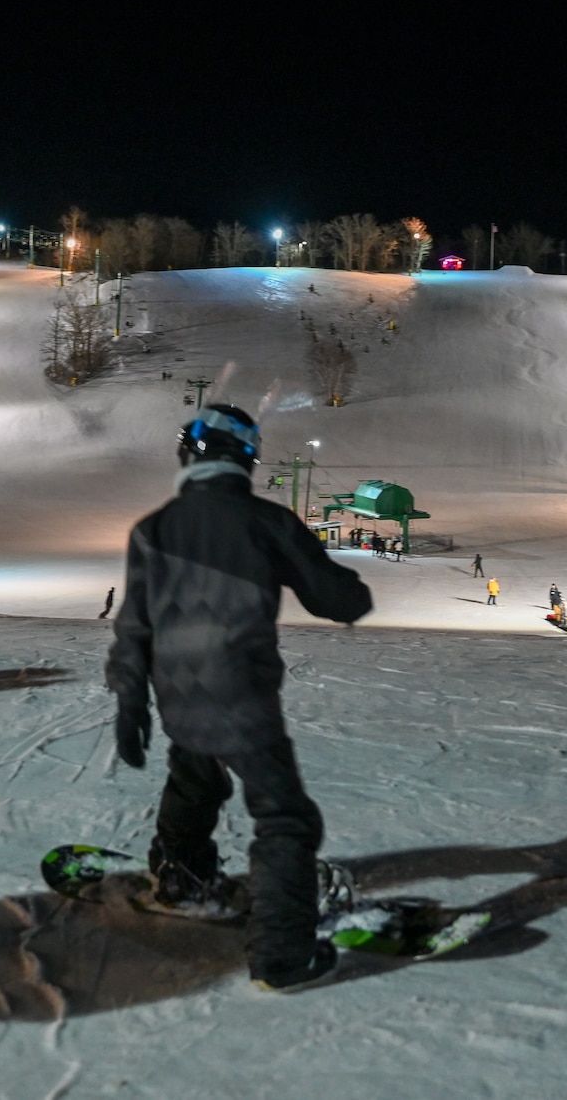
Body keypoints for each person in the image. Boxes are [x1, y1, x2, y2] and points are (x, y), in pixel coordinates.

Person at [105, 403, 372, 992]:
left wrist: (130, 702)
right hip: (243, 697)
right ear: (244, 459)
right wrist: (350, 588)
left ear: (190, 455)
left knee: (196, 773)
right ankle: (281, 957)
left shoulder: (154, 529)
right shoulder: (266, 523)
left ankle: (181, 874)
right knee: (285, 819)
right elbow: (337, 599)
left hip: (178, 695)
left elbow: (134, 626)